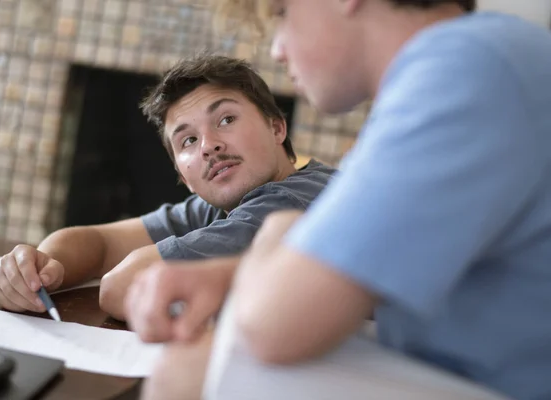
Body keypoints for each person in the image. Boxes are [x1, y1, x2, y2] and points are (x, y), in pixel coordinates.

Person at [126, 1, 551, 400]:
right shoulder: (482, 58)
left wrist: (280, 234)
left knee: (191, 370)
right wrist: (244, 266)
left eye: (282, 13)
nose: (277, 50)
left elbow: (274, 325)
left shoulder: (464, 74)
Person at [0, 55, 336, 322]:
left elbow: (122, 286)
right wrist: (43, 267)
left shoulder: (292, 201)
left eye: (226, 119)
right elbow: (100, 242)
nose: (208, 146)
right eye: (188, 139)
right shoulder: (222, 206)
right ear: (184, 178)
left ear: (277, 128)